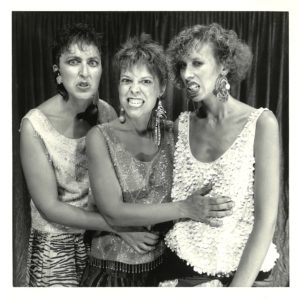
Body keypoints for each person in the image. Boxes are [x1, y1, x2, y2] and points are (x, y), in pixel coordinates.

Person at [80, 33, 234, 287]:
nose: (134, 89)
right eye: (126, 80)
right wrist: (185, 208)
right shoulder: (100, 136)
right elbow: (114, 211)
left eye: (145, 81)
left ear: (161, 88)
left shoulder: (176, 134)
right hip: (110, 274)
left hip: (164, 273)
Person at [19, 23, 160, 287]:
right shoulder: (34, 126)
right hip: (55, 248)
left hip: (99, 240)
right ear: (57, 71)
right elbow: (50, 208)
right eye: (73, 61)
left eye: (93, 62)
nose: (84, 72)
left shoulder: (106, 111)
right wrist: (118, 226)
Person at [159, 23, 280, 287]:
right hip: (181, 267)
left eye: (197, 63)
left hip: (246, 274)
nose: (187, 73)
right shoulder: (181, 125)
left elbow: (267, 220)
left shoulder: (261, 123)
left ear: (224, 66)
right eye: (182, 65)